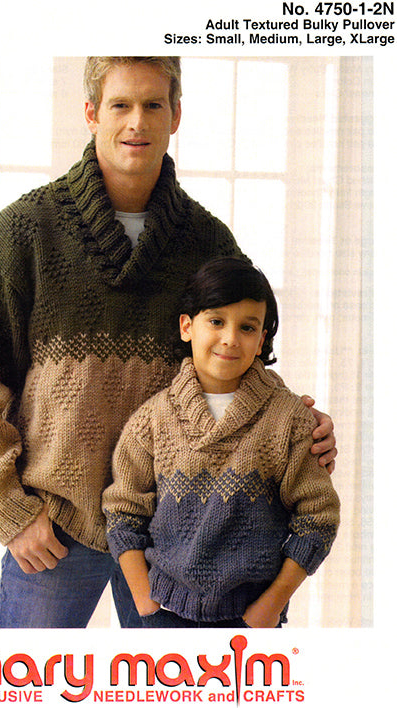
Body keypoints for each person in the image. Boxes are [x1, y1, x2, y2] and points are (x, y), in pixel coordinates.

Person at [0, 56, 337, 629]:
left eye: (153, 105)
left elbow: (237, 356)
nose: (137, 122)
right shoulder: (22, 235)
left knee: (187, 678)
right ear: (91, 112)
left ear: (176, 115)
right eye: (120, 104)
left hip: (179, 536)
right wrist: (10, 511)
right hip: (54, 525)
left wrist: (297, 426)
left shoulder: (207, 242)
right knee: (26, 675)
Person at [103, 257, 340, 628]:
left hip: (252, 617)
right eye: (216, 321)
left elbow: (318, 517)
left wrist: (272, 604)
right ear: (187, 326)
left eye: (247, 327)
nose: (230, 338)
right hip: (163, 612)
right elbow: (123, 511)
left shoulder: (289, 419)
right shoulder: (152, 419)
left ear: (261, 340)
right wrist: (143, 598)